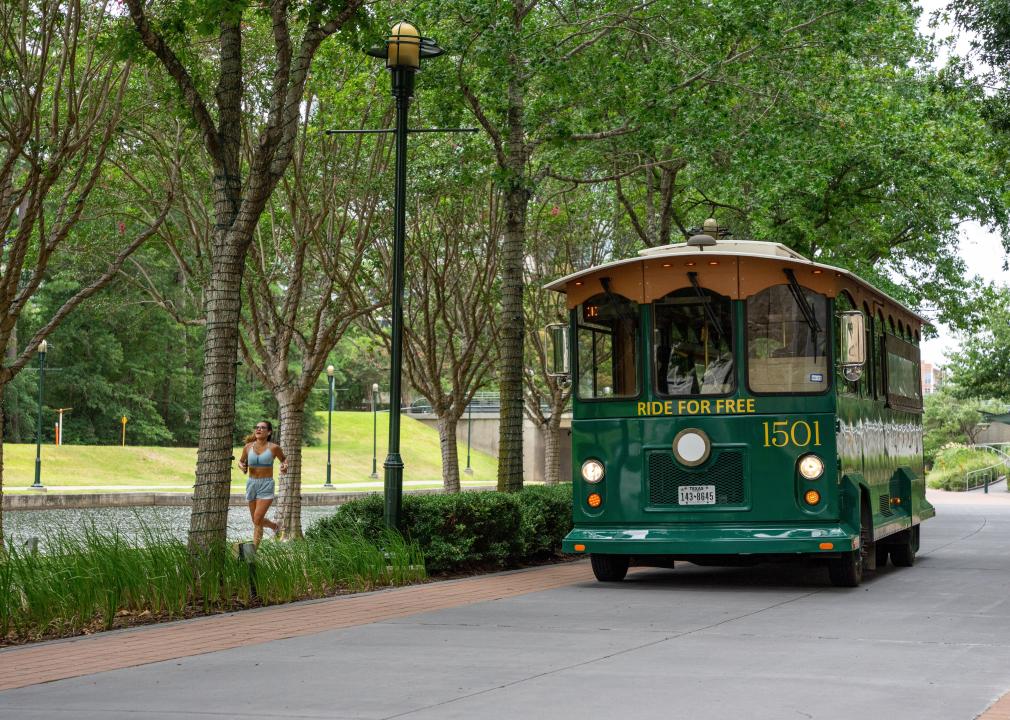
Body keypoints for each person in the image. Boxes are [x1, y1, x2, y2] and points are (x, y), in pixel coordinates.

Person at [238, 420, 288, 546]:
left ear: (269, 432)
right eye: (257, 427)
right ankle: (275, 526)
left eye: (262, 428)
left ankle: (253, 550)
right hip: (251, 484)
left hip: (266, 484)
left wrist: (284, 466)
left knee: (257, 518)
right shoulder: (248, 447)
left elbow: (284, 460)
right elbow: (241, 461)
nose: (258, 429)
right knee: (256, 521)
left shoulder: (274, 448)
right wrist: (242, 467)